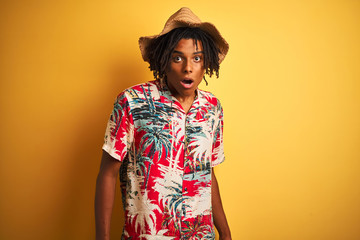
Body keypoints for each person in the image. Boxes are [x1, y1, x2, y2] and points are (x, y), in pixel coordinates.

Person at [95, 7, 231, 240]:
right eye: (178, 57)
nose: (188, 67)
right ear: (164, 60)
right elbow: (108, 173)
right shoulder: (132, 101)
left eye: (196, 58)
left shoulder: (212, 108)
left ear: (205, 63)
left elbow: (207, 174)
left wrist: (226, 233)